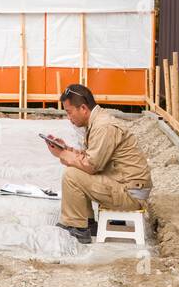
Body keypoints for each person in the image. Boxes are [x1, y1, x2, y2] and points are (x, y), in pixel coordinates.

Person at [42, 84, 152, 244]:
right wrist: (65, 149)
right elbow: (90, 157)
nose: (69, 117)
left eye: (69, 112)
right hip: (127, 186)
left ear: (83, 108)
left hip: (130, 194)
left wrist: (63, 155)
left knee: (72, 174)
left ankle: (77, 228)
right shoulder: (98, 122)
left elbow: (91, 166)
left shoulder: (103, 126)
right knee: (76, 170)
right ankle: (87, 223)